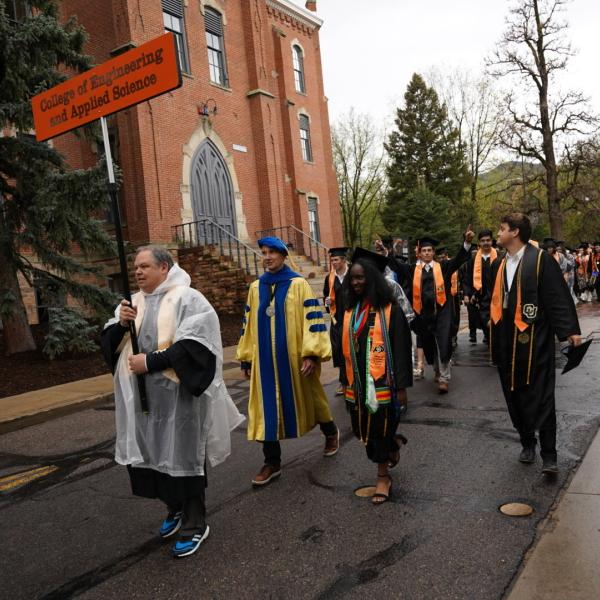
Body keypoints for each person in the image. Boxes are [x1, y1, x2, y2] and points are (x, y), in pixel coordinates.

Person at [101, 246, 244, 558]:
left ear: (164, 267)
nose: (137, 272)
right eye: (135, 267)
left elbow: (197, 347)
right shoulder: (132, 304)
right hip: (144, 403)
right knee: (153, 455)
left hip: (179, 402)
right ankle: (174, 508)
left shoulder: (188, 299)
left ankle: (196, 522)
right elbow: (109, 347)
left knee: (182, 455)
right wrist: (121, 326)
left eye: (145, 266)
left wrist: (151, 362)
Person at [236, 237, 340, 487]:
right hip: (264, 363)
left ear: (284, 255)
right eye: (264, 252)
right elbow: (248, 326)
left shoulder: (298, 284)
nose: (268, 256)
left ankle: (330, 432)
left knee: (313, 399)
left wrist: (312, 354)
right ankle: (272, 462)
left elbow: (313, 319)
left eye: (273, 252)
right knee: (265, 409)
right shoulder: (255, 288)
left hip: (295, 360)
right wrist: (247, 358)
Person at [489, 214, 581, 475]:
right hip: (506, 338)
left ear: (515, 232)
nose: (498, 232)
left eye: (502, 228)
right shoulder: (498, 263)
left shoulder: (540, 259)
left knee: (542, 396)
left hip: (535, 338)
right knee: (513, 394)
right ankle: (527, 442)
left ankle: (549, 455)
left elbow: (556, 296)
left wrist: (570, 331)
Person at [340, 248, 413, 504]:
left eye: (361, 277)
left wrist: (402, 386)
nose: (356, 282)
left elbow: (403, 349)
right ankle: (391, 445)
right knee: (365, 430)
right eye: (353, 278)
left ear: (372, 279)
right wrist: (343, 378)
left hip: (385, 383)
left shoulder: (390, 310)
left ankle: (383, 477)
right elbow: (343, 347)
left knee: (378, 430)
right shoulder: (349, 310)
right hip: (357, 382)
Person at [386, 227, 475, 393]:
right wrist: (388, 252)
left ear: (433, 252)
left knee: (443, 343)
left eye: (429, 250)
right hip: (422, 315)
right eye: (424, 250)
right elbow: (396, 266)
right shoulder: (413, 269)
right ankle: (436, 369)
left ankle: (444, 378)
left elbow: (459, 259)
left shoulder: (444, 267)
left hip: (442, 312)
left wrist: (467, 243)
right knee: (428, 345)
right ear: (419, 253)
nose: (426, 253)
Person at [463, 230, 497, 346]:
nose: (486, 243)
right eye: (483, 241)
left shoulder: (500, 257)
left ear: (492, 241)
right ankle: (489, 340)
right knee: (483, 320)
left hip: (496, 295)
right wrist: (468, 294)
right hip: (480, 295)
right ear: (479, 243)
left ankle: (493, 344)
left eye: (488, 240)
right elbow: (467, 278)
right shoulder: (473, 260)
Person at [323, 247, 350, 395]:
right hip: (336, 320)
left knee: (350, 350)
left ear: (344, 260)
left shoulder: (352, 275)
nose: (333, 262)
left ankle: (351, 380)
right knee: (338, 350)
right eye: (332, 260)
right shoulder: (330, 278)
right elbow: (325, 295)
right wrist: (327, 302)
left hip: (351, 318)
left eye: (336, 260)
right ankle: (343, 381)